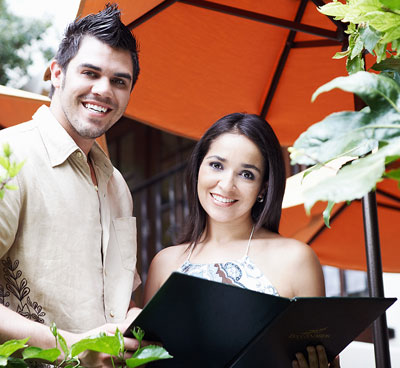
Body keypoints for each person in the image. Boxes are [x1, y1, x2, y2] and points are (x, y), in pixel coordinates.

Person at [0, 4, 142, 367]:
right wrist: (72, 346)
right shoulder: (9, 155)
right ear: (56, 73)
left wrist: (129, 318)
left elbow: (114, 295)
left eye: (119, 80)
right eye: (90, 72)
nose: (103, 90)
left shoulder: (117, 186)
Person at [144, 113, 340, 368]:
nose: (226, 185)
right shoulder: (164, 262)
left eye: (246, 174)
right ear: (197, 169)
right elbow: (143, 360)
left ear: (263, 189)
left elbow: (326, 358)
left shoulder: (296, 259)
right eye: (216, 165)